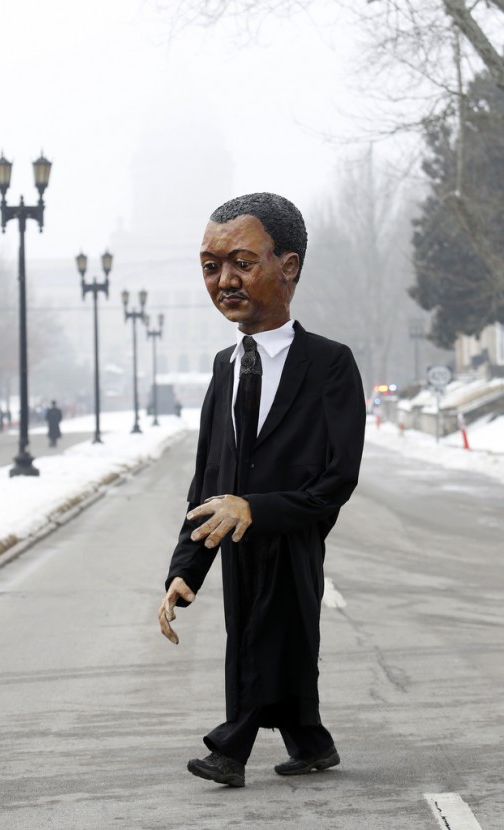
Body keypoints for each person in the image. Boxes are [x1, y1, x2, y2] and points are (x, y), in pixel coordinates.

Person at [158, 192, 366, 789]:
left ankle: (232, 747)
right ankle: (310, 739)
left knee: (268, 634)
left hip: (293, 533)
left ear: (289, 266)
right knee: (272, 639)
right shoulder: (224, 367)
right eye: (210, 266)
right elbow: (207, 480)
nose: (224, 280)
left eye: (242, 263)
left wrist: (257, 507)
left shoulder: (329, 364)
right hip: (236, 539)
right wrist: (186, 568)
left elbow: (337, 478)